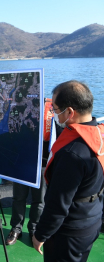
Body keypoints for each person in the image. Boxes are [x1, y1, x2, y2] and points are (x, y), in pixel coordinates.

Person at [32, 80, 104, 261]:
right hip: (92, 218)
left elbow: (58, 205)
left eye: (55, 110)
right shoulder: (99, 135)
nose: (54, 114)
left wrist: (40, 235)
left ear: (70, 112)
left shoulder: (72, 154)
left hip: (70, 232)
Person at [5, 98, 55, 245]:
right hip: (22, 162)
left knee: (39, 200)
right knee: (18, 198)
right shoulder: (19, 109)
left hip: (43, 162)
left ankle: (34, 229)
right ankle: (16, 229)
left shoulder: (53, 112)